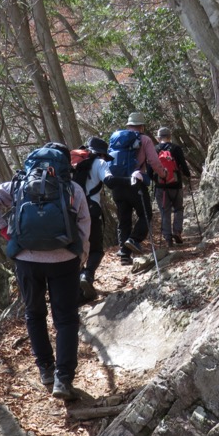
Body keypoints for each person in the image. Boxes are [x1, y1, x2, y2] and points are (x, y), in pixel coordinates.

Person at [0, 142, 90, 401]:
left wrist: (6, 231)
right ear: (65, 164)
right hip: (64, 260)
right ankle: (64, 378)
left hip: (27, 260)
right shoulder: (73, 189)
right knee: (66, 319)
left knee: (35, 314)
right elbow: (84, 226)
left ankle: (46, 370)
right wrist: (79, 257)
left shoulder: (18, 186)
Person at [103, 111, 166, 266]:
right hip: (135, 182)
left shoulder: (116, 137)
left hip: (117, 184)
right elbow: (153, 161)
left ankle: (124, 254)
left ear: (129, 125)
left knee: (123, 219)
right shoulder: (144, 139)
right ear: (142, 126)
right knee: (145, 215)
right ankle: (134, 239)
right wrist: (162, 174)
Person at [75, 136, 111, 300]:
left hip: (72, 212)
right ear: (102, 154)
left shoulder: (74, 163)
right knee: (96, 249)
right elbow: (109, 179)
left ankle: (77, 290)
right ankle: (87, 276)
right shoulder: (100, 163)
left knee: (76, 250)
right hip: (91, 210)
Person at [153, 127, 191, 246]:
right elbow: (183, 165)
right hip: (176, 185)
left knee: (165, 211)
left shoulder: (155, 149)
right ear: (170, 136)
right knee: (178, 209)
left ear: (159, 138)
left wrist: (154, 179)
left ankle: (168, 238)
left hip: (161, 187)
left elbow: (150, 168)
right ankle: (177, 232)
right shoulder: (176, 148)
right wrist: (187, 175)